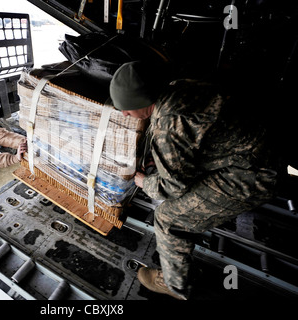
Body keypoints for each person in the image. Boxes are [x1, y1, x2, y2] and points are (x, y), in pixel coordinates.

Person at [109, 61, 278, 300]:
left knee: (168, 219)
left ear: (143, 102)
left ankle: (174, 285)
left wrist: (144, 182)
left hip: (254, 174)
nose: (124, 114)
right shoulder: (178, 87)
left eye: (126, 108)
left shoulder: (169, 125)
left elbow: (173, 187)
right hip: (251, 150)